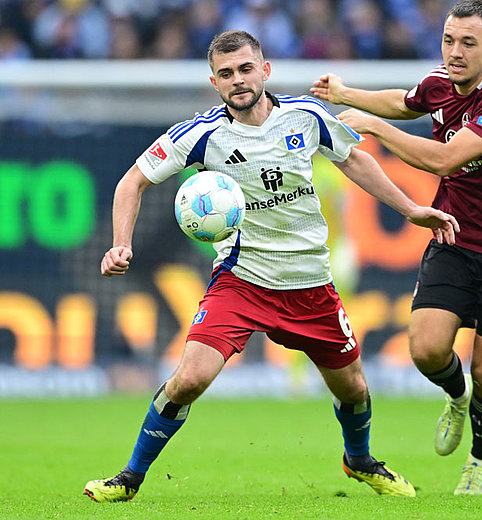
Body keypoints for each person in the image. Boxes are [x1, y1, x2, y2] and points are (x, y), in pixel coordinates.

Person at [83, 30, 460, 503]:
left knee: (355, 390)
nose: (237, 80)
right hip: (242, 281)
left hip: (310, 284)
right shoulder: (199, 135)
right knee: (190, 379)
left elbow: (356, 162)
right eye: (226, 74)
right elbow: (131, 182)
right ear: (214, 82)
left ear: (264, 70)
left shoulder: (308, 117)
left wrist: (410, 210)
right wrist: (121, 244)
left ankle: (359, 460)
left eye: (245, 69)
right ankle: (130, 478)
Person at [311, 0, 482, 495]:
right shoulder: (443, 81)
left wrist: (374, 129)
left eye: (468, 43)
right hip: (456, 234)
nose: (455, 52)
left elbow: (444, 160)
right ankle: (456, 398)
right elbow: (407, 101)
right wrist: (344, 93)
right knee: (426, 349)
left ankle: (479, 463)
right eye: (448, 40)